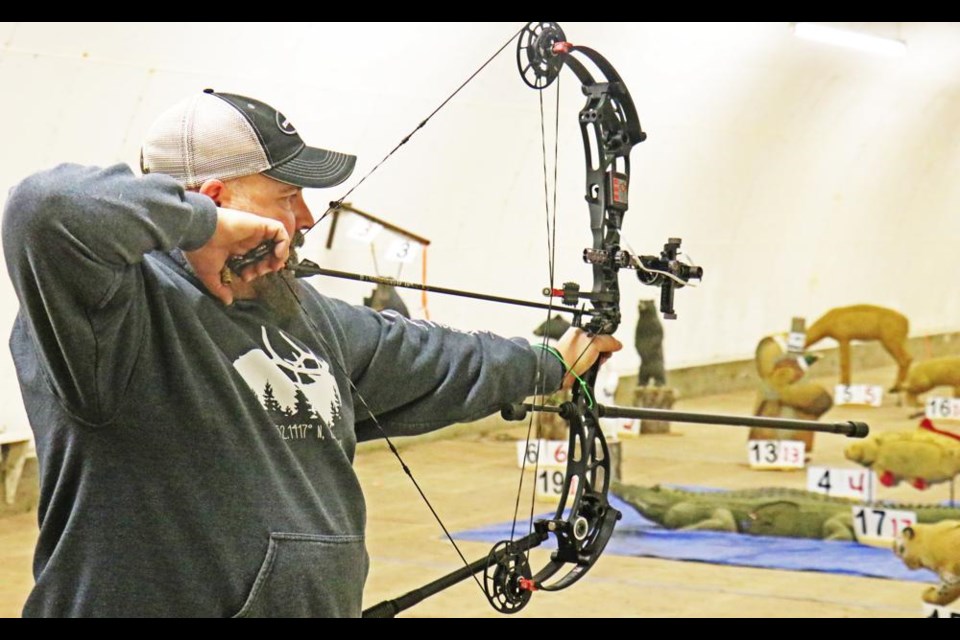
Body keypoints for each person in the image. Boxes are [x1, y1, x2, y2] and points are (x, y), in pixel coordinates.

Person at [2, 89, 621, 617]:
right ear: (215, 199)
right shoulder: (112, 311)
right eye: (286, 196)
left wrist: (553, 363)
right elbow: (46, 208)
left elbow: (439, 358)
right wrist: (201, 226)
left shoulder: (300, 310)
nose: (305, 216)